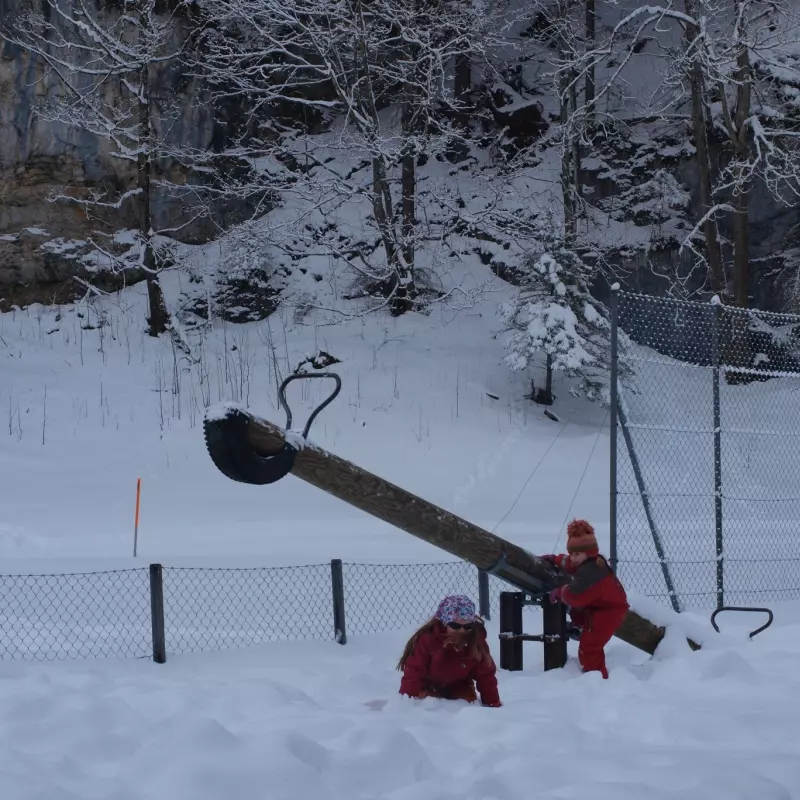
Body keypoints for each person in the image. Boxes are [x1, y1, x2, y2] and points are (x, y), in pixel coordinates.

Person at [541, 519, 629, 679]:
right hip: (599, 607)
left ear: (588, 553)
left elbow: (575, 596)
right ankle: (580, 626)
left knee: (590, 647)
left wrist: (560, 592)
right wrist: (554, 559)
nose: (573, 558)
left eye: (577, 554)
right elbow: (569, 563)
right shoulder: (588, 561)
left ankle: (597, 678)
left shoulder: (591, 571)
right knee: (582, 617)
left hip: (609, 612)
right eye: (571, 553)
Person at [397, 595, 502, 707]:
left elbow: (485, 675)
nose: (462, 631)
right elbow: (414, 671)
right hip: (429, 685)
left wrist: (493, 703)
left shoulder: (475, 641)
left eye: (468, 626)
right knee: (426, 703)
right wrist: (406, 702)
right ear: (444, 623)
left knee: (467, 703)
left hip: (459, 686)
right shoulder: (428, 639)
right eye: (455, 625)